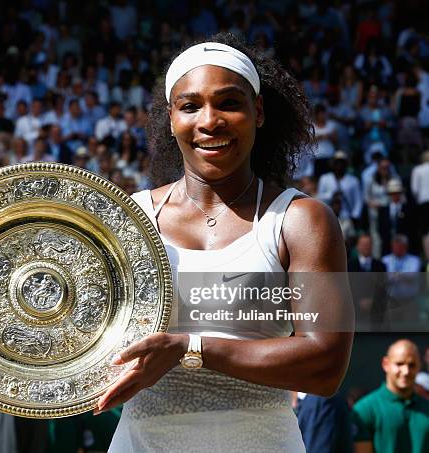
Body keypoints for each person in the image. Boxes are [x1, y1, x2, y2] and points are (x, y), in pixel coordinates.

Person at [100, 33, 353, 452]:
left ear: (258, 112)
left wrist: (189, 347)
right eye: (190, 106)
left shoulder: (301, 220)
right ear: (171, 117)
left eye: (229, 103)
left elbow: (325, 366)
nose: (209, 121)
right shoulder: (129, 218)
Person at [351, 339, 429, 453]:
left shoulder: (426, 408)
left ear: (419, 366)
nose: (406, 371)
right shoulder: (364, 410)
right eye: (399, 364)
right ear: (386, 364)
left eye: (412, 365)